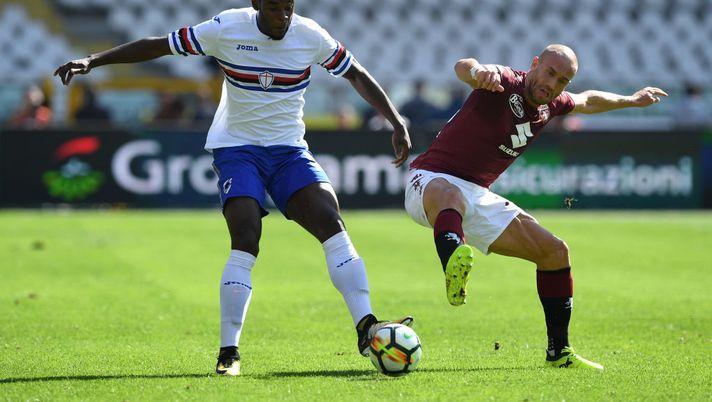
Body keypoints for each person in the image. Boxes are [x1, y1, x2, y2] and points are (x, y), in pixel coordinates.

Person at [54, 0, 412, 376]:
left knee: (331, 222)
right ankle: (229, 351)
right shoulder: (226, 28)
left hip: (289, 150)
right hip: (238, 149)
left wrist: (395, 121)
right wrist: (93, 60)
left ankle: (366, 325)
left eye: (289, 7)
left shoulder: (309, 35)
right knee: (246, 235)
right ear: (257, 4)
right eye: (275, 8)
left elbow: (354, 73)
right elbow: (158, 44)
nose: (284, 16)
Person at [404, 44, 667, 370]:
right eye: (550, 73)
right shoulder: (504, 81)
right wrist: (477, 72)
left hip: (477, 194)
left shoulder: (552, 104)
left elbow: (589, 100)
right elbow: (463, 65)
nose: (553, 84)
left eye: (562, 81)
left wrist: (631, 100)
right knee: (453, 197)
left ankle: (559, 352)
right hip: (430, 180)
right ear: (534, 64)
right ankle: (453, 263)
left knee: (555, 252)